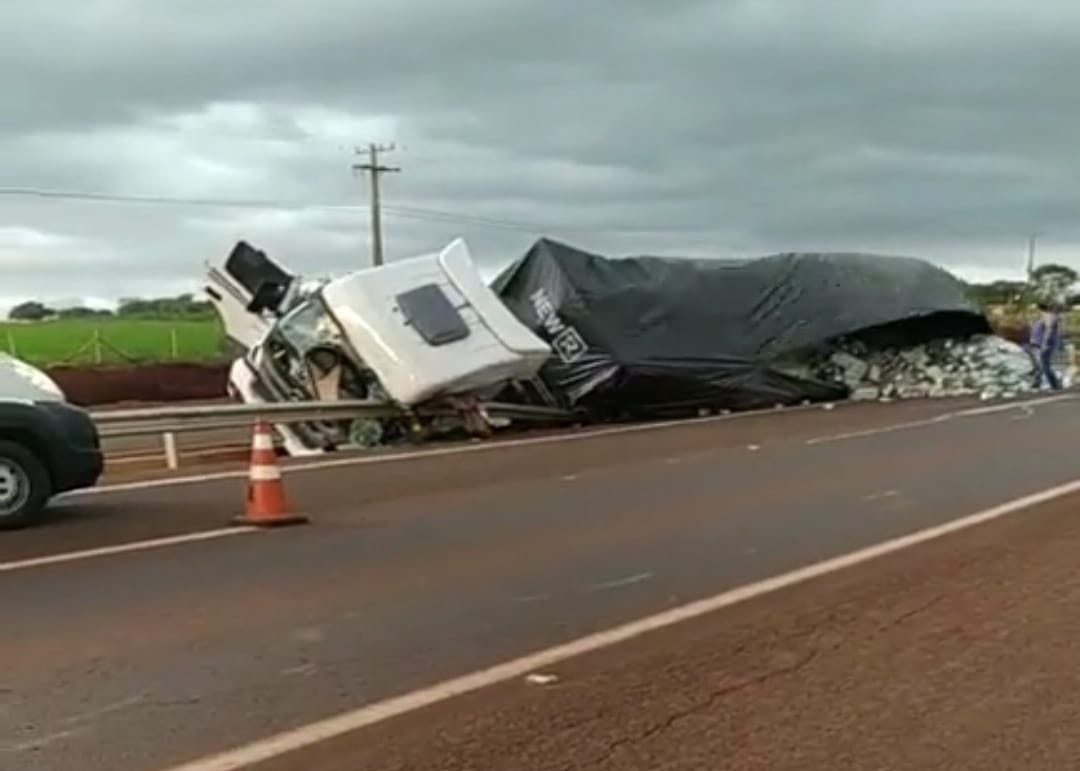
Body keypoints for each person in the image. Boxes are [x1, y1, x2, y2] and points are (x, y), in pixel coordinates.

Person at [1029, 302, 1065, 390]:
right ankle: (1036, 382)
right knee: (1042, 364)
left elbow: (1049, 331)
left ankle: (1055, 384)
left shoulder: (1047, 316)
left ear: (1040, 309)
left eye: (1034, 309)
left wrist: (1045, 344)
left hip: (1047, 344)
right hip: (1042, 344)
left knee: (1045, 365)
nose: (1033, 312)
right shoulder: (1044, 317)